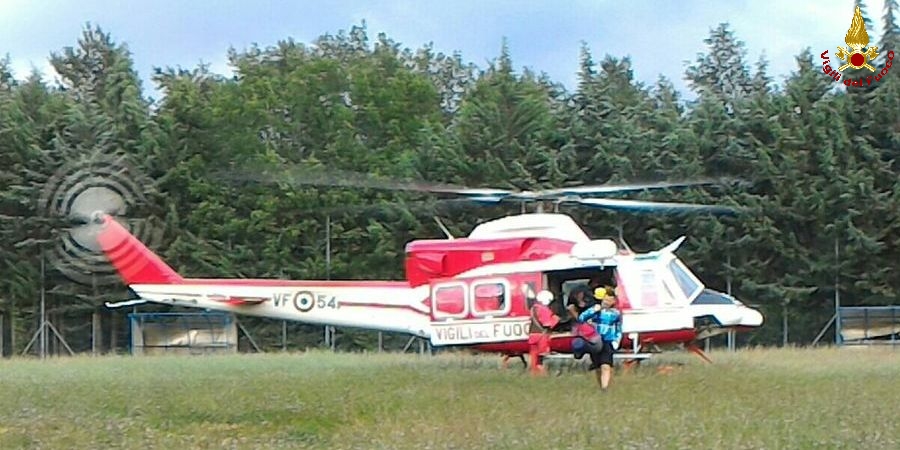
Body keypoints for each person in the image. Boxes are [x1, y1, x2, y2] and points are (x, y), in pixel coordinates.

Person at [578, 290, 623, 391]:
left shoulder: (616, 313)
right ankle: (601, 386)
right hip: (595, 340)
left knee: (606, 365)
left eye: (610, 300)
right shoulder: (596, 310)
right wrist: (593, 310)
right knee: (598, 366)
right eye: (606, 299)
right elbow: (581, 318)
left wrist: (616, 340)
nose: (607, 302)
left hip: (608, 340)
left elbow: (619, 327)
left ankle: (605, 388)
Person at [528, 290, 560, 375]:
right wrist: (556, 319)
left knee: (533, 357)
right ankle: (543, 374)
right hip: (541, 336)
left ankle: (533, 374)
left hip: (532, 335)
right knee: (542, 357)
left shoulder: (533, 308)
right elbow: (547, 324)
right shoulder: (544, 309)